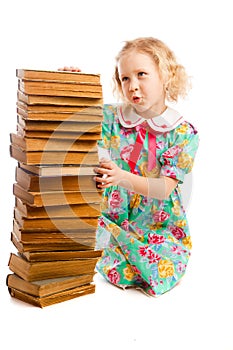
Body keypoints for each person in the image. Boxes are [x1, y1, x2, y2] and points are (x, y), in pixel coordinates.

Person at [61, 37, 199, 296]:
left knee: (161, 264)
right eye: (125, 78)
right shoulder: (113, 118)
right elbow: (74, 123)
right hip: (115, 216)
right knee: (79, 239)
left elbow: (164, 189)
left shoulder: (182, 132)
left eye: (141, 75)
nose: (132, 86)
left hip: (158, 224)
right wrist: (70, 88)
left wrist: (122, 177)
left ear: (165, 76)